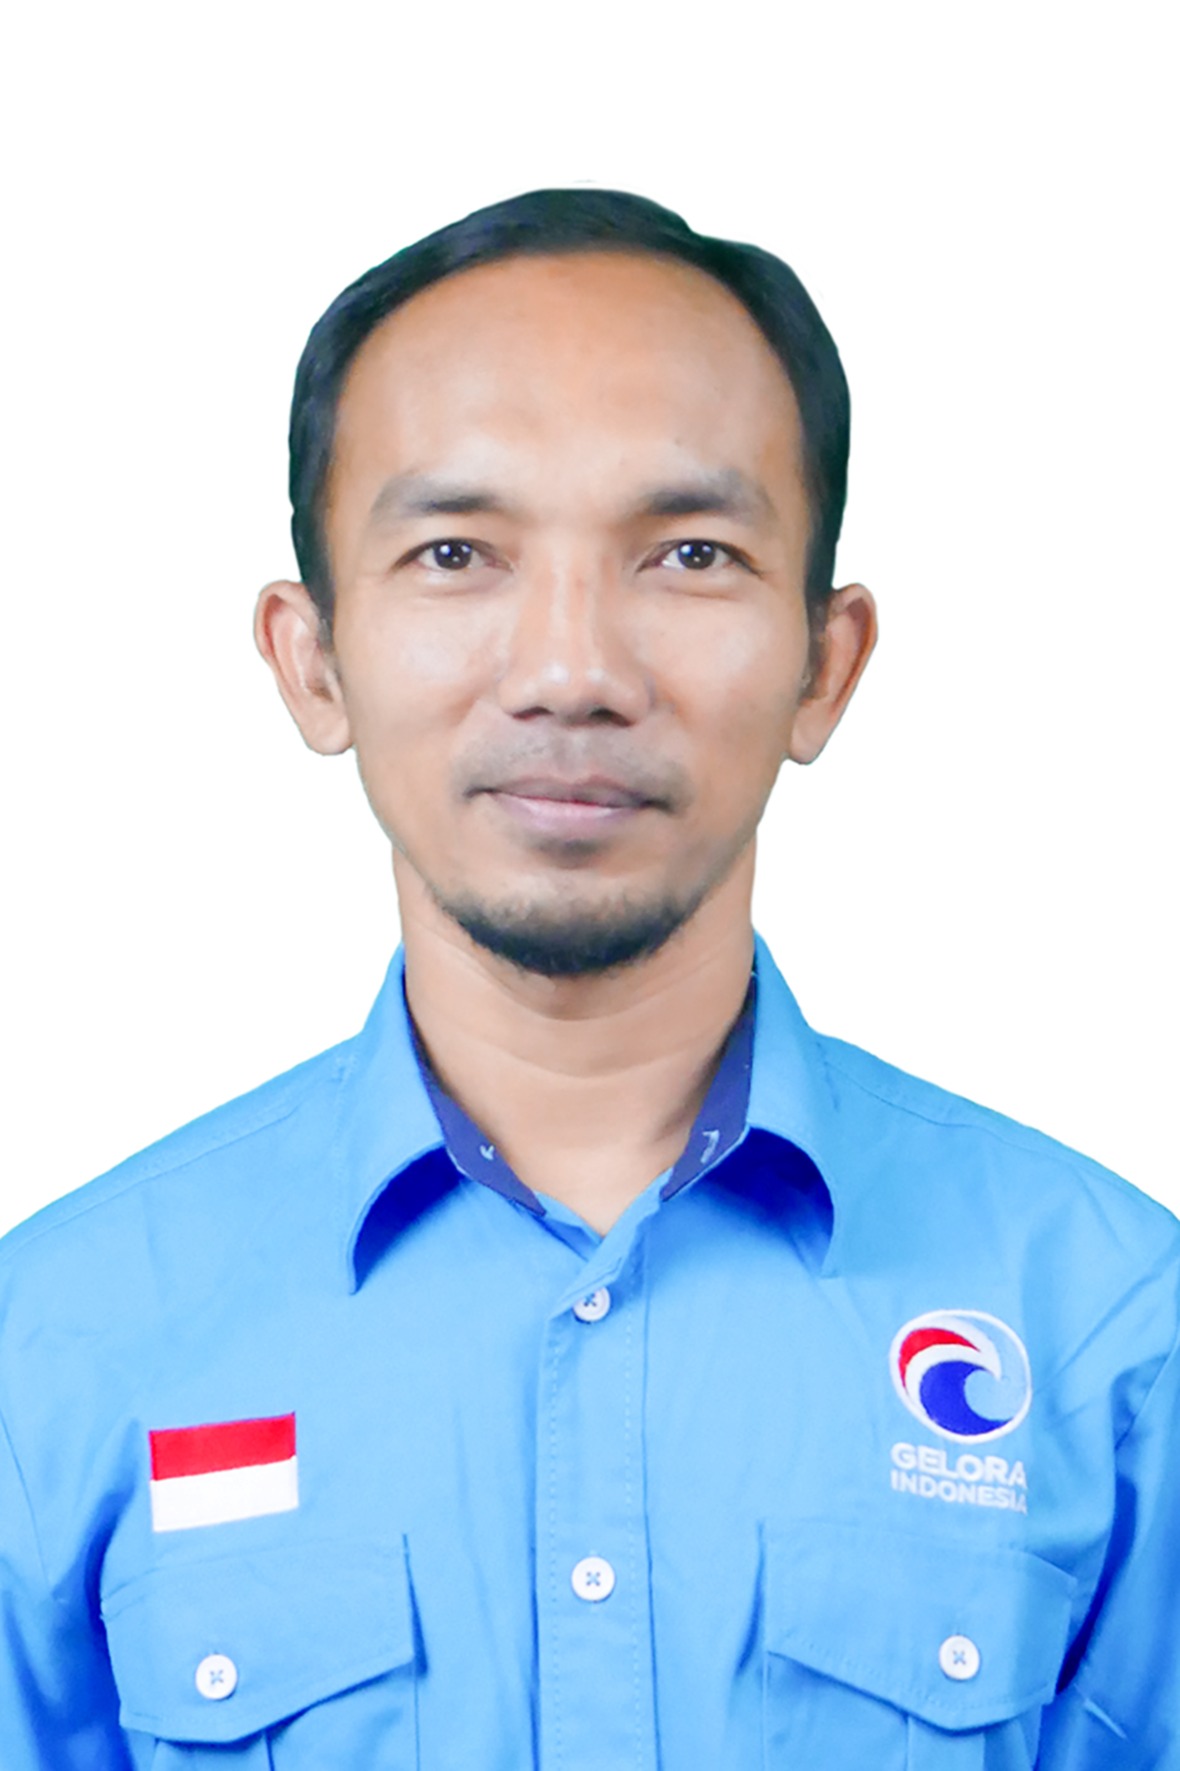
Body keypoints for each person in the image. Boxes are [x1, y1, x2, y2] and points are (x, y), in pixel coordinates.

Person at [0, 188, 1175, 1770]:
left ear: (825, 664)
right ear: (312, 658)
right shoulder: (57, 1348)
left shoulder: (1108, 1328)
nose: (571, 672)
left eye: (691, 552)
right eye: (455, 552)